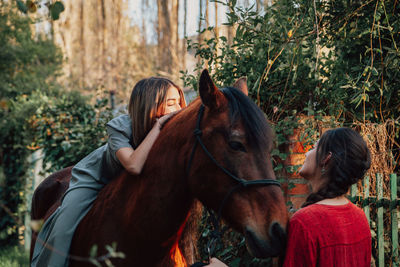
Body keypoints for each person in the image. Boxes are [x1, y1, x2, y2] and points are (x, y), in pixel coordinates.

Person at [31, 77, 186, 267]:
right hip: (95, 178)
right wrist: (158, 126)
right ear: (149, 105)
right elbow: (134, 165)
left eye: (179, 102)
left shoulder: (172, 131)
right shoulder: (119, 127)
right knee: (63, 228)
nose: (179, 109)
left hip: (127, 182)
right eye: (171, 103)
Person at [205, 127, 372, 267]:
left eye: (314, 147)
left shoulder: (306, 222)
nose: (307, 153)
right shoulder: (359, 217)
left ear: (326, 159)